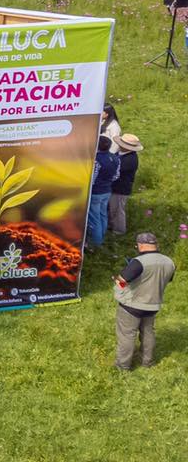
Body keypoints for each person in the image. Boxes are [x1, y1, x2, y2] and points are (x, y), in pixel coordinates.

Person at [113, 232, 176, 371]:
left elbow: (122, 281)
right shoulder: (169, 262)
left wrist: (118, 282)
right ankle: (147, 362)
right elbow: (167, 279)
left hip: (131, 305)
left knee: (127, 336)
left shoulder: (138, 262)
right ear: (156, 245)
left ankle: (123, 366)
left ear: (140, 245)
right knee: (148, 333)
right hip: (153, 305)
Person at [87, 135, 120, 250]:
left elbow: (92, 179)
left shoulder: (96, 160)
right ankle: (102, 237)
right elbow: (116, 176)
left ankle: (96, 244)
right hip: (107, 190)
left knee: (94, 218)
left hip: (96, 192)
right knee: (103, 215)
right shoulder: (115, 158)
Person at [108, 134, 142, 237]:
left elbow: (115, 170)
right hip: (114, 186)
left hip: (121, 189)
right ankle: (111, 225)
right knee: (112, 208)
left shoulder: (130, 160)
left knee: (118, 210)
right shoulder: (120, 153)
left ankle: (119, 231)